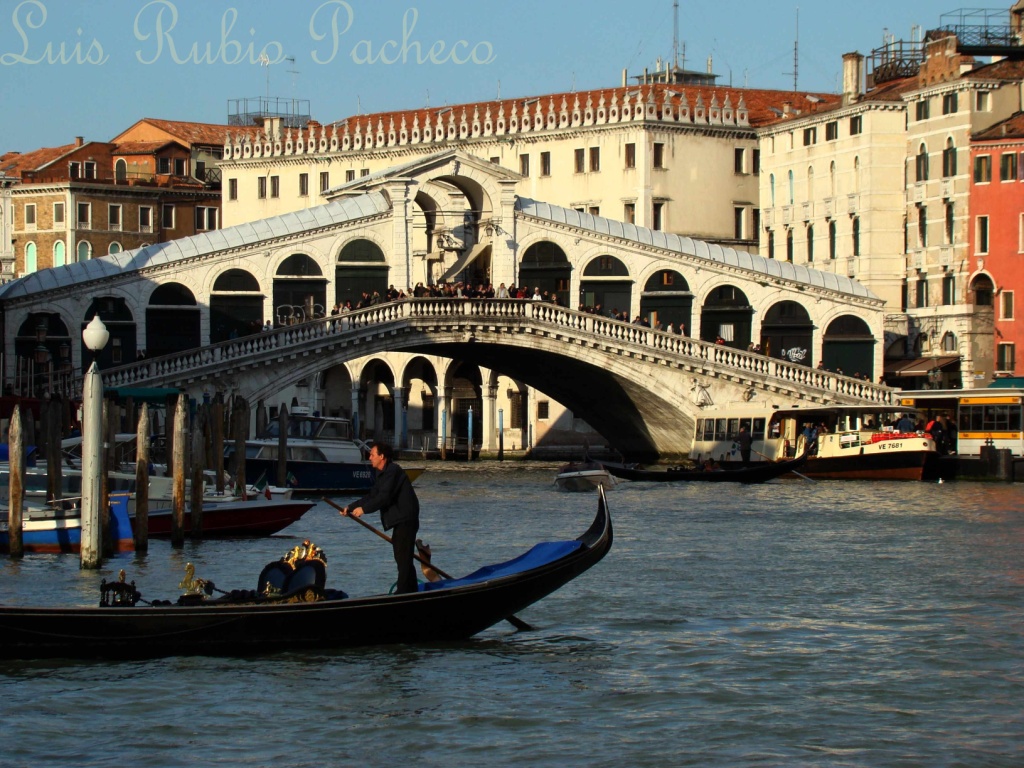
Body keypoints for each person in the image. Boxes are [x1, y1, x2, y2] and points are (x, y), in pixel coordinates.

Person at [339, 443, 421, 594]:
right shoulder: (381, 473)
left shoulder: (393, 471)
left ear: (382, 456)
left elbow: (384, 497)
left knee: (403, 557)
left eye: (372, 454)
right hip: (400, 520)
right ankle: (411, 590)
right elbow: (373, 495)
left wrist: (364, 510)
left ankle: (403, 592)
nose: (369, 457)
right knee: (403, 557)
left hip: (406, 519)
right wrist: (351, 507)